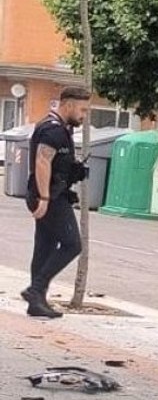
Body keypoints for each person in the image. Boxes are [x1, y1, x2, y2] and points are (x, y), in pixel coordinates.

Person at [21, 86, 91, 318]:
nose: (83, 115)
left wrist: (74, 170)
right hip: (49, 196)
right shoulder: (54, 130)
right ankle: (35, 290)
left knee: (45, 247)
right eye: (82, 109)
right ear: (68, 105)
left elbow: (55, 164)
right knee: (73, 244)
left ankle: (36, 303)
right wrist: (44, 198)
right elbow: (43, 162)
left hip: (50, 194)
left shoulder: (60, 129)